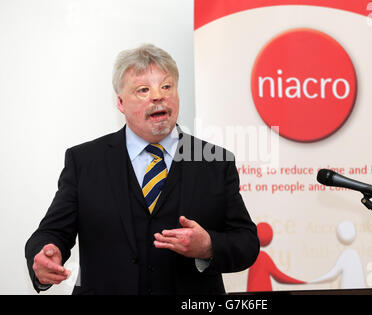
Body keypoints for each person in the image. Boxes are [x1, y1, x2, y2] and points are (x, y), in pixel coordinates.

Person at [25, 43, 259, 295]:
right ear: (120, 102)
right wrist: (46, 253)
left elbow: (246, 242)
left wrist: (208, 246)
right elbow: (52, 232)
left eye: (166, 86)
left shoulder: (215, 161)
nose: (158, 96)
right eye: (143, 89)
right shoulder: (84, 161)